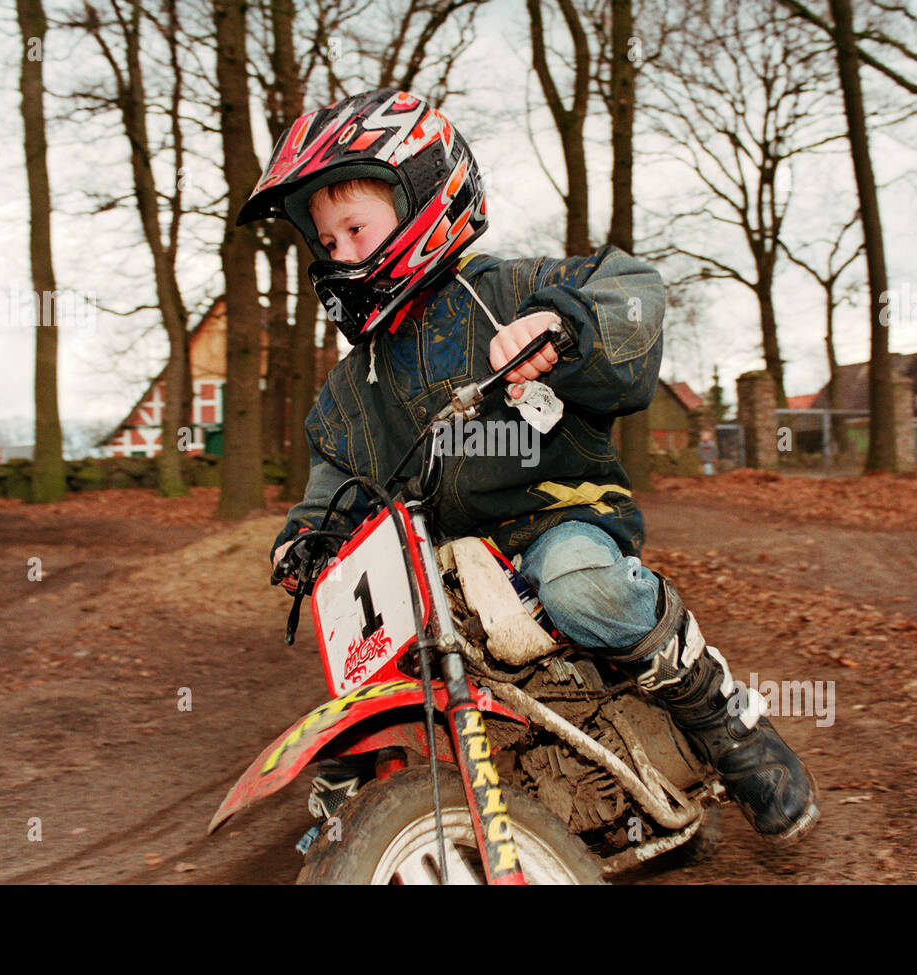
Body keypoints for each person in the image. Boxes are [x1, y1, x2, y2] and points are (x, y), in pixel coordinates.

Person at [237, 88, 819, 843]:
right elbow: (336, 477)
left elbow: (631, 291)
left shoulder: (506, 290)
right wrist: (307, 535)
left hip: (555, 518)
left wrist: (564, 324)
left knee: (580, 588)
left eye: (355, 228)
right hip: (436, 560)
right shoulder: (356, 384)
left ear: (425, 198)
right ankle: (380, 797)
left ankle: (720, 713)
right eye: (329, 241)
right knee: (368, 640)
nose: (341, 253)